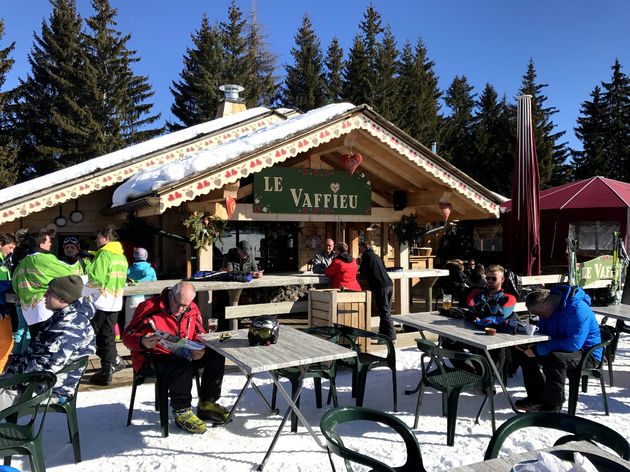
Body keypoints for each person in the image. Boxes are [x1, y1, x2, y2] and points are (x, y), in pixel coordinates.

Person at [122, 281, 227, 434]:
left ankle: (207, 403)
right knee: (181, 365)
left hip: (182, 353)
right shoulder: (149, 307)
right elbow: (127, 336)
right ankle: (181, 411)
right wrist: (142, 341)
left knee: (216, 355)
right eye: (178, 304)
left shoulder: (191, 308)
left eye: (185, 305)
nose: (181, 309)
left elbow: (199, 334)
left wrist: (200, 349)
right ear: (171, 295)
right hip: (152, 357)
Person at [0, 275, 96, 409]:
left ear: (63, 297)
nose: (44, 295)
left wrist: (11, 379)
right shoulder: (61, 317)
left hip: (46, 389)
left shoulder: (71, 325)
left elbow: (48, 364)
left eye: (50, 292)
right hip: (33, 382)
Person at [514, 286, 602, 412]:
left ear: (547, 304)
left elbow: (574, 343)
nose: (539, 316)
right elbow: (541, 331)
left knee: (555, 359)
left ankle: (553, 406)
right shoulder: (549, 310)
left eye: (539, 313)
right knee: (524, 353)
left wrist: (539, 349)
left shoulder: (577, 309)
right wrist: (528, 344)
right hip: (561, 347)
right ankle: (537, 398)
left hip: (588, 353)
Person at [84, 225, 128, 385]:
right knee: (107, 335)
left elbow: (96, 279)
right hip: (115, 301)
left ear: (106, 239)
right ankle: (108, 369)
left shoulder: (104, 255)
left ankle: (110, 363)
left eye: (98, 237)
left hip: (100, 301)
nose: (96, 240)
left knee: (88, 335)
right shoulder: (121, 257)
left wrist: (81, 293)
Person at [12, 231, 74, 337]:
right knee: (46, 342)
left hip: (28, 310)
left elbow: (15, 286)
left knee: (34, 342)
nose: (50, 244)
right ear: (41, 245)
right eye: (49, 242)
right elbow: (70, 273)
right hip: (44, 307)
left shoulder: (22, 263)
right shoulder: (45, 259)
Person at [359, 242, 395, 341]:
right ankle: (383, 335)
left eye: (360, 248)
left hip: (381, 286)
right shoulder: (376, 256)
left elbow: (362, 271)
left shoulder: (366, 256)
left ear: (364, 248)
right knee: (386, 311)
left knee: (384, 312)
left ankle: (391, 337)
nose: (360, 250)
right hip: (389, 284)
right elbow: (383, 268)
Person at [124, 247, 157, 328]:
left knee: (129, 322)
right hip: (146, 298)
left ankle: (127, 339)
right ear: (146, 256)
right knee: (145, 322)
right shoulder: (151, 270)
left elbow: (124, 281)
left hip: (132, 298)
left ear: (134, 256)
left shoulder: (129, 269)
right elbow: (155, 284)